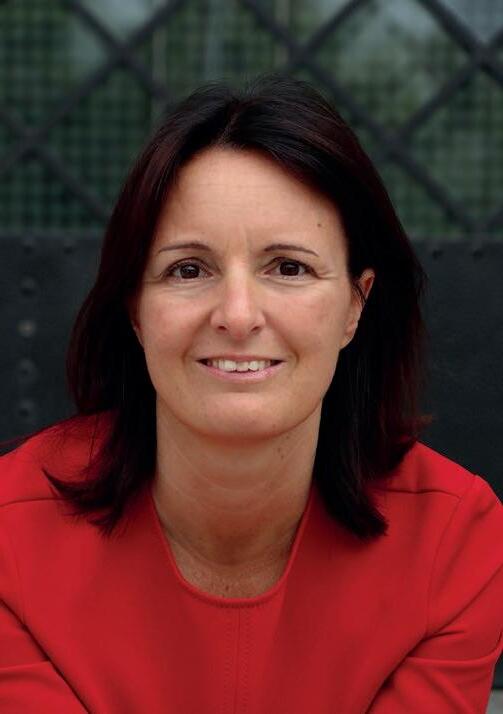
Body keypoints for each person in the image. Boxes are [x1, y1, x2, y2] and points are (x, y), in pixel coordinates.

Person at [0, 74, 501, 714]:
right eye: (189, 269)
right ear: (135, 310)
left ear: (355, 305)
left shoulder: (453, 542)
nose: (237, 315)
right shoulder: (10, 537)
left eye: (289, 267)